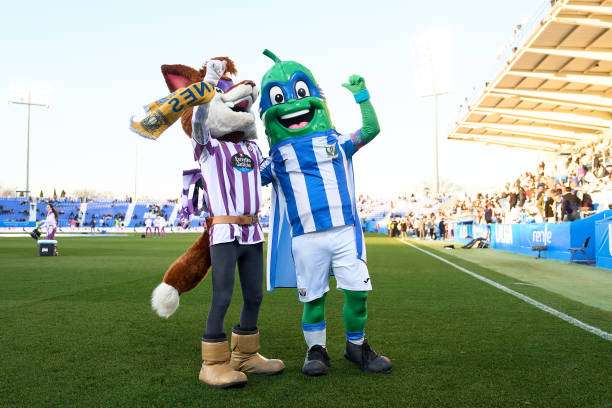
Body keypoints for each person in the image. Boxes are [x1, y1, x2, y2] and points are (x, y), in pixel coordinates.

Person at [261, 50, 391, 376]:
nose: (291, 105)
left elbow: (371, 129)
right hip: (306, 238)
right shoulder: (276, 157)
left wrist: (362, 95)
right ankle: (316, 351)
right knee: (313, 299)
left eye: (300, 94)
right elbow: (245, 173)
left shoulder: (337, 141)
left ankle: (356, 347)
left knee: (357, 293)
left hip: (345, 231)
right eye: (279, 98)